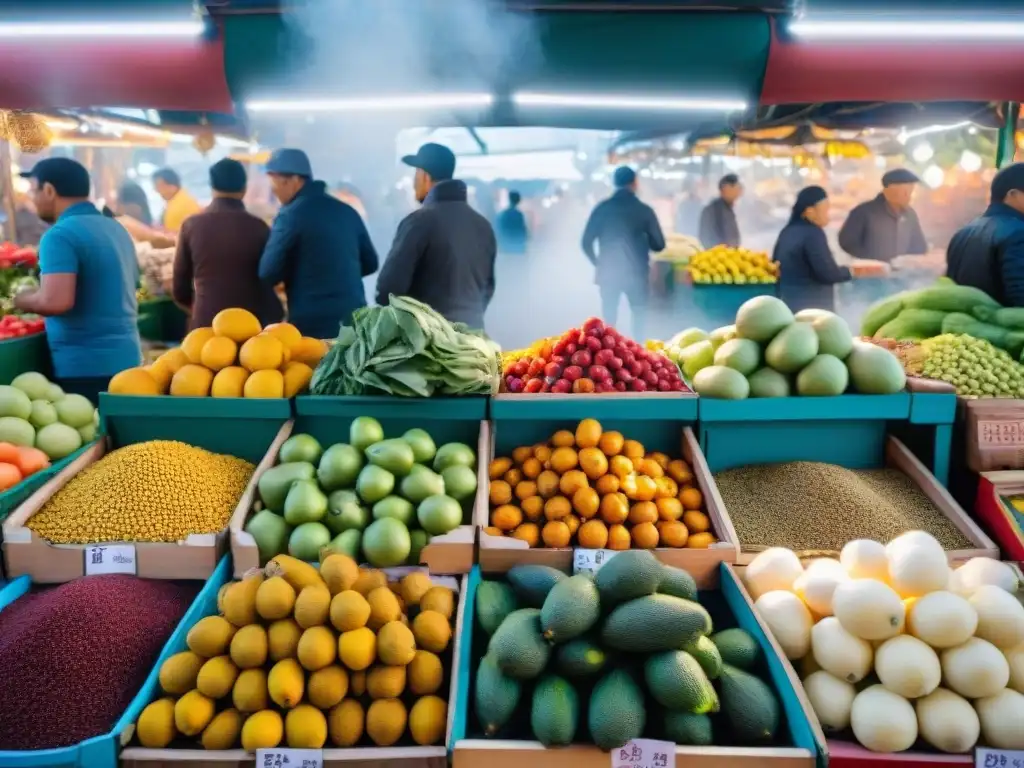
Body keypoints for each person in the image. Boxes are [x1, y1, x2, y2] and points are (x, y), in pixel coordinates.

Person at [14, 158, 141, 402]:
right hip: (128, 361)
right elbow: (133, 286)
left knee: (94, 436)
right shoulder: (115, 229)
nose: (32, 198)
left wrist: (22, 299)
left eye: (34, 190)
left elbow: (56, 302)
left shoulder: (60, 235)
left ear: (49, 190)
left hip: (85, 367)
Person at [259, 148, 379, 338]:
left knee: (317, 368)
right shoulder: (346, 211)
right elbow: (371, 263)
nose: (273, 190)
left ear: (292, 180)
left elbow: (268, 272)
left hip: (314, 326)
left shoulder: (290, 215)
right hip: (356, 321)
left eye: (274, 181)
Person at [376, 143, 496, 330]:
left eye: (415, 173)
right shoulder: (483, 225)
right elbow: (487, 289)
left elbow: (387, 291)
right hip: (473, 343)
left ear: (424, 176)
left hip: (428, 346)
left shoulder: (419, 222)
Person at [173, 158, 283, 329]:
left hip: (208, 324)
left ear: (212, 186)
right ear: (244, 188)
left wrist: (200, 308)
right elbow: (272, 277)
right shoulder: (259, 227)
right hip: (253, 326)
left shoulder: (191, 226)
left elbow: (180, 289)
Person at [581, 166, 665, 337]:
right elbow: (659, 244)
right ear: (634, 183)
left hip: (609, 273)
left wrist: (598, 263)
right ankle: (638, 355)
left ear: (615, 183)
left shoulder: (602, 209)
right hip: (636, 273)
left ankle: (607, 358)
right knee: (639, 316)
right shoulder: (644, 210)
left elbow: (585, 242)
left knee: (608, 322)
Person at [946, 162, 1024, 305]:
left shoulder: (962, 234)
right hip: (1004, 326)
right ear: (1013, 195)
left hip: (961, 325)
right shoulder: (1019, 233)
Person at [772, 186, 852, 312]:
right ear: (809, 211)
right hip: (813, 311)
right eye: (825, 211)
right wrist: (849, 271)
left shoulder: (787, 231)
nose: (828, 215)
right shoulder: (813, 234)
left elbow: (775, 266)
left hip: (789, 306)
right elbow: (827, 273)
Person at [838, 168, 928, 262]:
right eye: (905, 191)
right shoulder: (863, 212)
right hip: (873, 274)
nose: (909, 196)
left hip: (904, 273)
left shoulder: (910, 214)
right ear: (889, 191)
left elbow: (920, 246)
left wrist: (908, 261)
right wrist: (870, 260)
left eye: (911, 191)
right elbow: (847, 242)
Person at [698, 174, 742, 248]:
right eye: (737, 187)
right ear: (726, 188)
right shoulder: (712, 210)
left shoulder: (728, 208)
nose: (739, 191)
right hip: (718, 257)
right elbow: (706, 239)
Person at [153, 167, 202, 233]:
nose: (157, 190)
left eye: (160, 186)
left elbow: (172, 237)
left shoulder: (180, 206)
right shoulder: (181, 198)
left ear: (172, 186)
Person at [495, 190, 528, 255]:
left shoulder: (503, 214)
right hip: (518, 247)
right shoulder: (519, 215)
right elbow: (523, 230)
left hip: (506, 246)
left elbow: (500, 229)